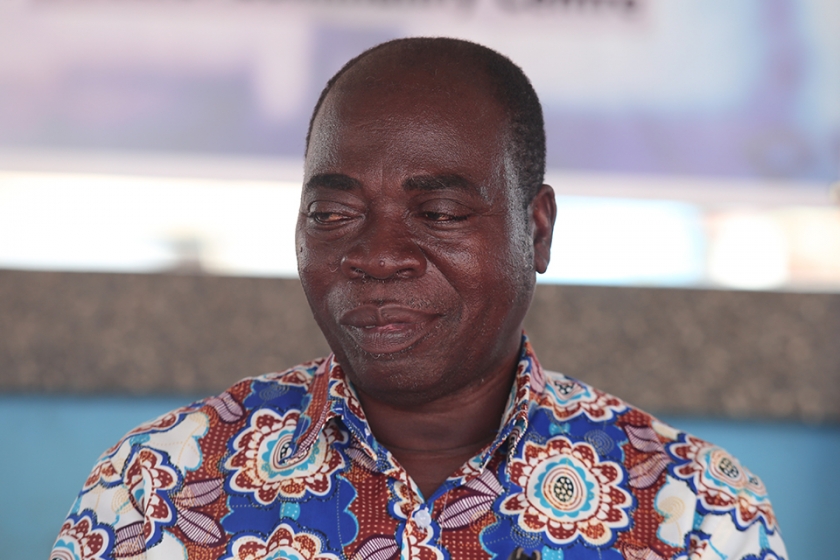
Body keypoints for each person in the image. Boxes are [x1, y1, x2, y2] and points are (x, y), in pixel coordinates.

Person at [51, 38, 787, 560]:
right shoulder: (159, 487)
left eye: (438, 213)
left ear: (537, 231)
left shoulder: (695, 515)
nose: (377, 256)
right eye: (333, 214)